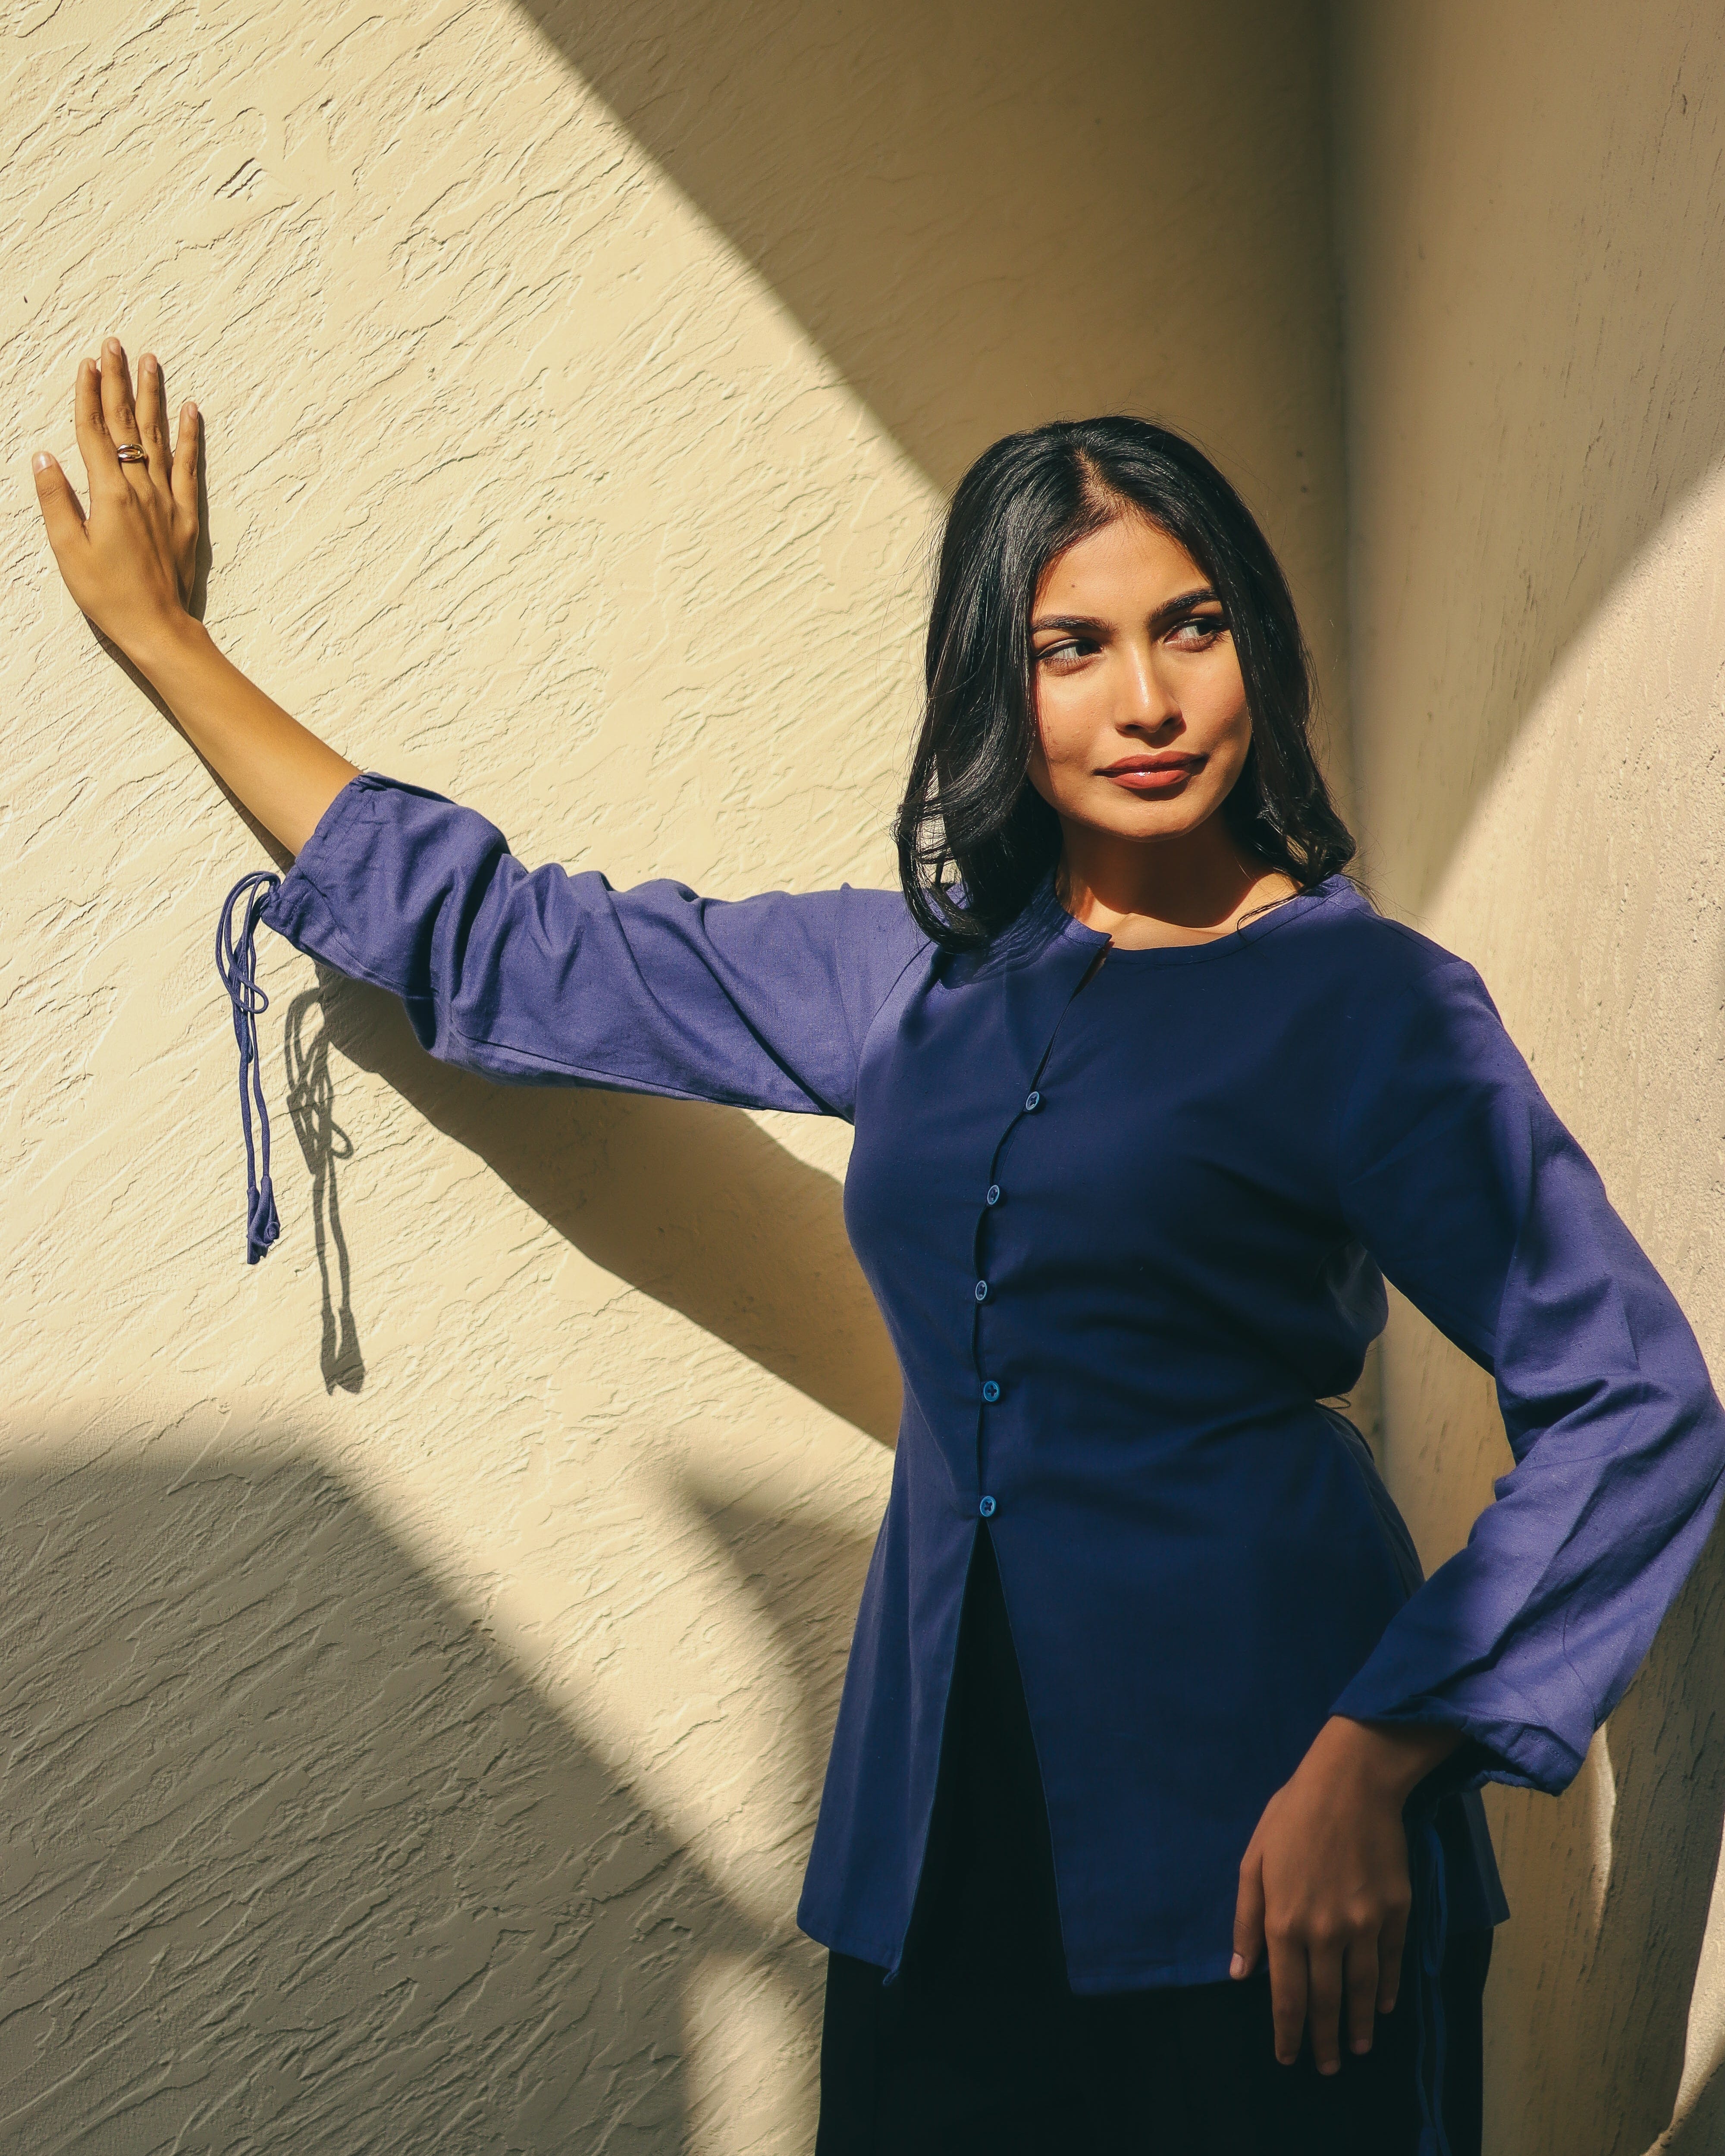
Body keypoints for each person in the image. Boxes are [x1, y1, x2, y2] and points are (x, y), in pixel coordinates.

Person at [31, 340, 1725, 2156]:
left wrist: (1381, 1758)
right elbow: (521, 945)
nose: (1144, 697)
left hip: (1277, 1863)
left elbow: (1636, 1403)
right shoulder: (913, 976)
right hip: (938, 1856)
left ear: (1261, 651)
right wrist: (171, 647)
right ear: (1002, 683)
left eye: (1194, 625)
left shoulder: (1366, 1001)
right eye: (1073, 648)